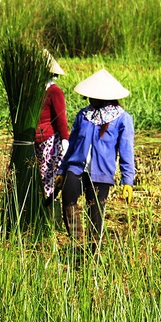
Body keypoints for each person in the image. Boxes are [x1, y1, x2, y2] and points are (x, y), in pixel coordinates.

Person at [55, 69, 135, 252]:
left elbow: (126, 151)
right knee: (68, 200)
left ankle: (92, 251)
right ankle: (77, 242)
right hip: (76, 168)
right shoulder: (84, 115)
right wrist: (61, 170)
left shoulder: (122, 118)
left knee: (95, 211)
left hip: (101, 172)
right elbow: (73, 145)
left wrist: (127, 180)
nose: (89, 99)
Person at [35, 51, 69, 203]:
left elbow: (61, 118)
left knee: (47, 175)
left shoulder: (54, 92)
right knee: (37, 175)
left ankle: (48, 207)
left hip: (48, 140)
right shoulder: (35, 90)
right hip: (35, 139)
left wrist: (64, 140)